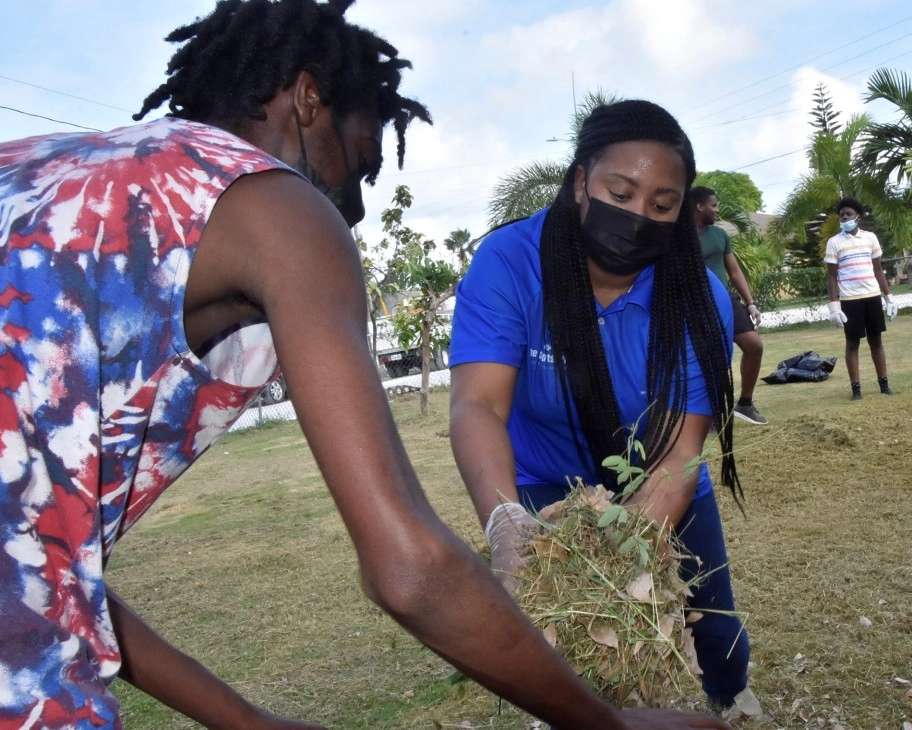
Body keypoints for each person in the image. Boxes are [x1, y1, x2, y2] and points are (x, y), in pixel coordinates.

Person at [0, 1, 733, 729]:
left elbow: (47, 575)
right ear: (308, 101)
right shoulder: (277, 209)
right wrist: (606, 724)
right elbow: (410, 570)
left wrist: (250, 724)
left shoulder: (43, 174)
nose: (351, 205)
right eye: (363, 160)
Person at [449, 100, 761, 720]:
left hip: (661, 480)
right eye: (621, 191)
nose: (639, 215)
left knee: (712, 622)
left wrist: (621, 554)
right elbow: (478, 405)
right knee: (566, 638)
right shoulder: (510, 264)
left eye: (663, 206)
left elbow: (679, 451)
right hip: (544, 484)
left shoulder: (700, 299)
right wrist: (506, 520)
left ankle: (732, 698)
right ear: (579, 183)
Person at [693, 186, 767, 425]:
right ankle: (711, 414)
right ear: (699, 206)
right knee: (710, 358)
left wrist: (751, 303)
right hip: (696, 305)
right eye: (713, 205)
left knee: (754, 346)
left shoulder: (719, 235)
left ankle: (745, 404)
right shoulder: (678, 236)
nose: (717, 210)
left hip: (725, 300)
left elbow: (734, 271)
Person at [824, 197, 897, 400]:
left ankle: (884, 385)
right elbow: (831, 275)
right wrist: (834, 305)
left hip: (872, 296)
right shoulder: (834, 242)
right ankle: (856, 389)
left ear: (858, 217)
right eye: (842, 215)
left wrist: (888, 296)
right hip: (850, 299)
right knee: (852, 343)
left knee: (876, 341)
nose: (844, 218)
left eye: (848, 214)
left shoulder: (870, 238)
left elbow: (877, 269)